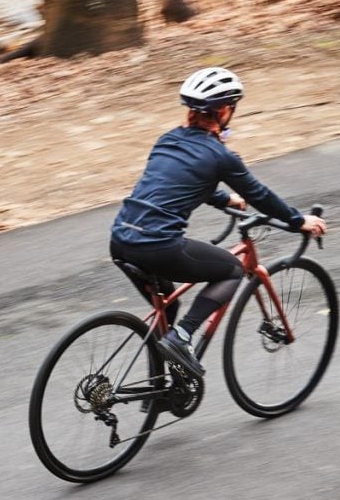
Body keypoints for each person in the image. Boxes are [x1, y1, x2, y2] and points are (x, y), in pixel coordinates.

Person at [109, 67, 327, 377]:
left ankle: (159, 389)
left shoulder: (168, 140)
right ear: (225, 110)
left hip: (121, 241)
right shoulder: (221, 156)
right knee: (232, 269)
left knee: (167, 308)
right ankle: (182, 337)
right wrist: (297, 221)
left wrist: (224, 200)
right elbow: (260, 196)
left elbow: (177, 181)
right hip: (158, 247)